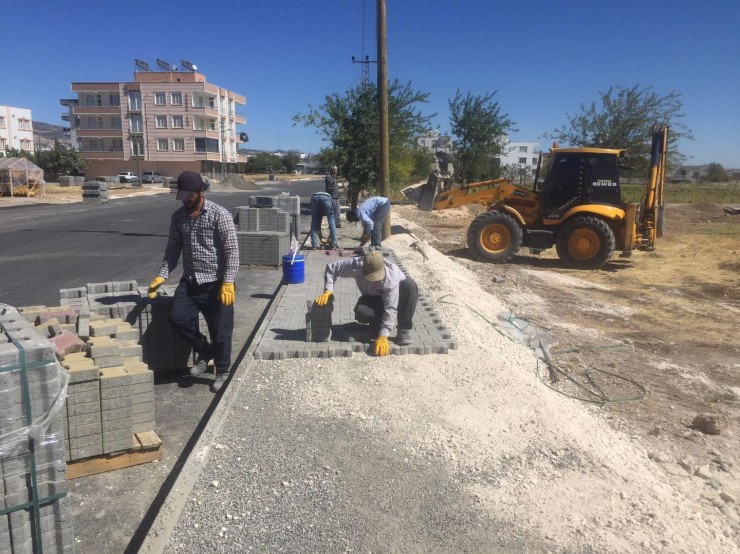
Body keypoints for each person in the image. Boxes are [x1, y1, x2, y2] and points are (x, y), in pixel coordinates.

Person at [147, 171, 239, 393]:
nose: (186, 200)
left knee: (221, 331)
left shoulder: (220, 215)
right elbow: (172, 250)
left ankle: (223, 371)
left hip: (217, 284)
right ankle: (204, 351)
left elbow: (232, 252)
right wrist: (162, 275)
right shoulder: (178, 218)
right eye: (183, 196)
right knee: (177, 318)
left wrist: (228, 282)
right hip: (190, 282)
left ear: (201, 192)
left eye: (190, 196)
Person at [314, 250, 417, 355]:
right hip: (374, 299)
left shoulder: (392, 277)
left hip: (397, 301)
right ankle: (376, 325)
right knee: (362, 311)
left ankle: (403, 330)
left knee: (409, 285)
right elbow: (331, 268)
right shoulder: (356, 265)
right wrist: (328, 290)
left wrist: (383, 336)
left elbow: (391, 308)